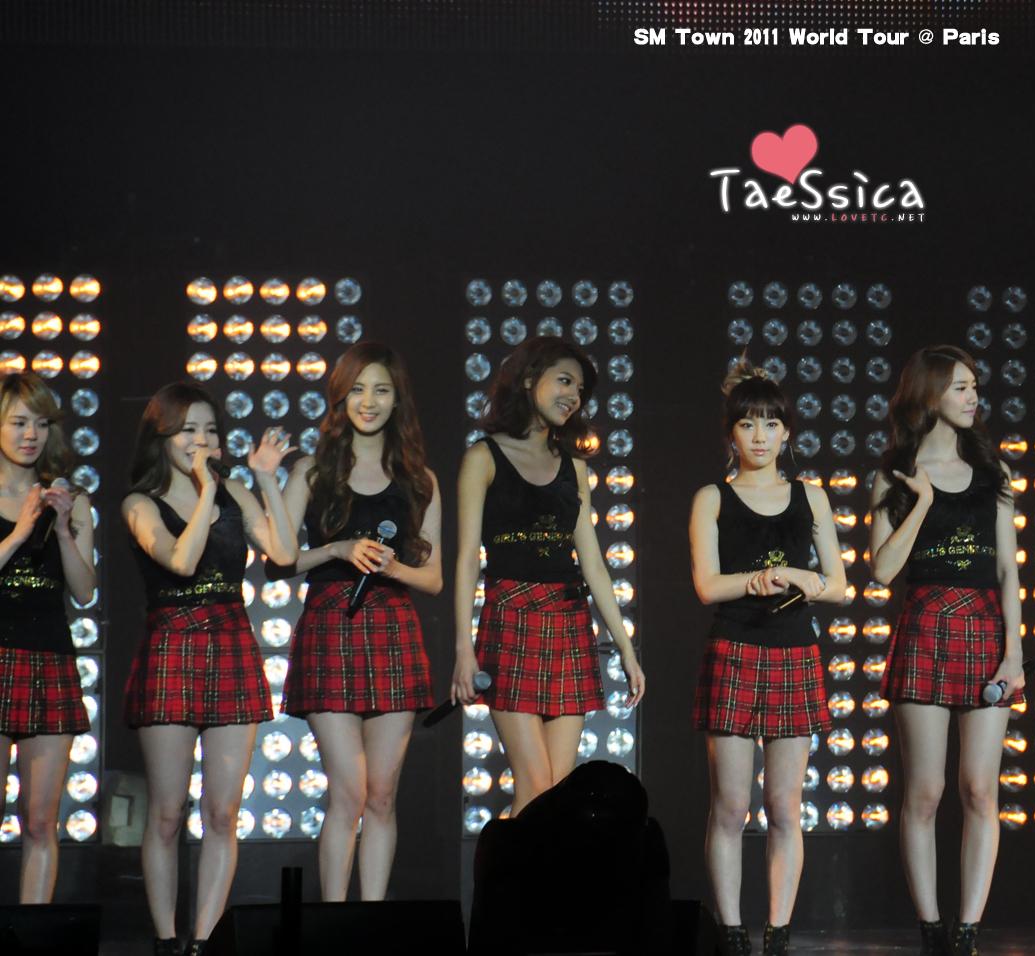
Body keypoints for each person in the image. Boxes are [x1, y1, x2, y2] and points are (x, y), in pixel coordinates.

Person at [122, 382, 298, 955]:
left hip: (230, 644)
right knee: (167, 814)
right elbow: (182, 559)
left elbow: (285, 555)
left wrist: (265, 480)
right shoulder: (140, 503)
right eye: (187, 430)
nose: (200, 440)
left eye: (210, 429)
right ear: (162, 436)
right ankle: (166, 941)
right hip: (171, 648)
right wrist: (204, 492)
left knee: (223, 813)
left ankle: (204, 941)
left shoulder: (234, 492)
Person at [689, 359, 848, 956]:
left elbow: (838, 585)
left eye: (770, 424)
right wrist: (755, 579)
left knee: (784, 805)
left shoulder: (811, 497)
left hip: (794, 652)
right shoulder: (713, 497)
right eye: (748, 424)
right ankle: (731, 928)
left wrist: (799, 577)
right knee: (731, 806)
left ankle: (778, 930)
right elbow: (707, 585)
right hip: (734, 649)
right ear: (731, 433)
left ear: (787, 432)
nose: (759, 436)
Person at [868, 345, 1023, 956]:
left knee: (980, 788)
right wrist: (924, 502)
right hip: (925, 626)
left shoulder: (993, 470)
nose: (973, 397)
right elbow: (882, 570)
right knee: (925, 790)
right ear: (929, 392)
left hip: (985, 629)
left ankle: (968, 930)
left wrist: (1014, 654)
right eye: (961, 386)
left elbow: (1008, 569)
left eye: (974, 386)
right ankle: (931, 927)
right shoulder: (895, 473)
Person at [278, 342, 443, 901]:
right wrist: (337, 549)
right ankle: (333, 922)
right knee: (348, 792)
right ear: (340, 397)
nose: (368, 401)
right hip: (330, 625)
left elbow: (434, 578)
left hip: (393, 629)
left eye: (381, 390)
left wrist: (393, 566)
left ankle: (371, 919)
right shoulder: (311, 471)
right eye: (357, 389)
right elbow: (278, 561)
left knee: (382, 795)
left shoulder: (419, 479)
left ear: (397, 400)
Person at [451, 337, 644, 815]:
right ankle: (504, 865)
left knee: (558, 797)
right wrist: (463, 649)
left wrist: (625, 648)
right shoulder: (483, 458)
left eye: (579, 389)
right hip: (510, 617)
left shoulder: (573, 466)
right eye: (564, 381)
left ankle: (528, 866)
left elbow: (593, 562)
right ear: (528, 379)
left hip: (568, 621)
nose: (573, 396)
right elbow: (468, 558)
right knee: (536, 788)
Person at [0, 372, 95, 905]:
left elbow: (83, 591)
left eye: (40, 423)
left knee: (40, 821)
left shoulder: (71, 499)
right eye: (18, 422)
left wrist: (61, 528)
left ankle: (33, 933)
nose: (30, 434)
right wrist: (19, 532)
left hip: (49, 660)